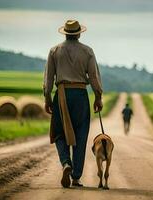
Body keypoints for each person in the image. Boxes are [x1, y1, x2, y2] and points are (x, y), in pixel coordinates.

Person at [43, 19, 103, 188]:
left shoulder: (54, 51)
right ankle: (76, 177)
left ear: (65, 33)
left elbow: (48, 79)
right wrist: (98, 97)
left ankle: (65, 163)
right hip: (80, 94)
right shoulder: (88, 51)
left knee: (58, 133)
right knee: (81, 135)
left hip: (61, 94)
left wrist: (47, 98)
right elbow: (94, 77)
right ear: (78, 33)